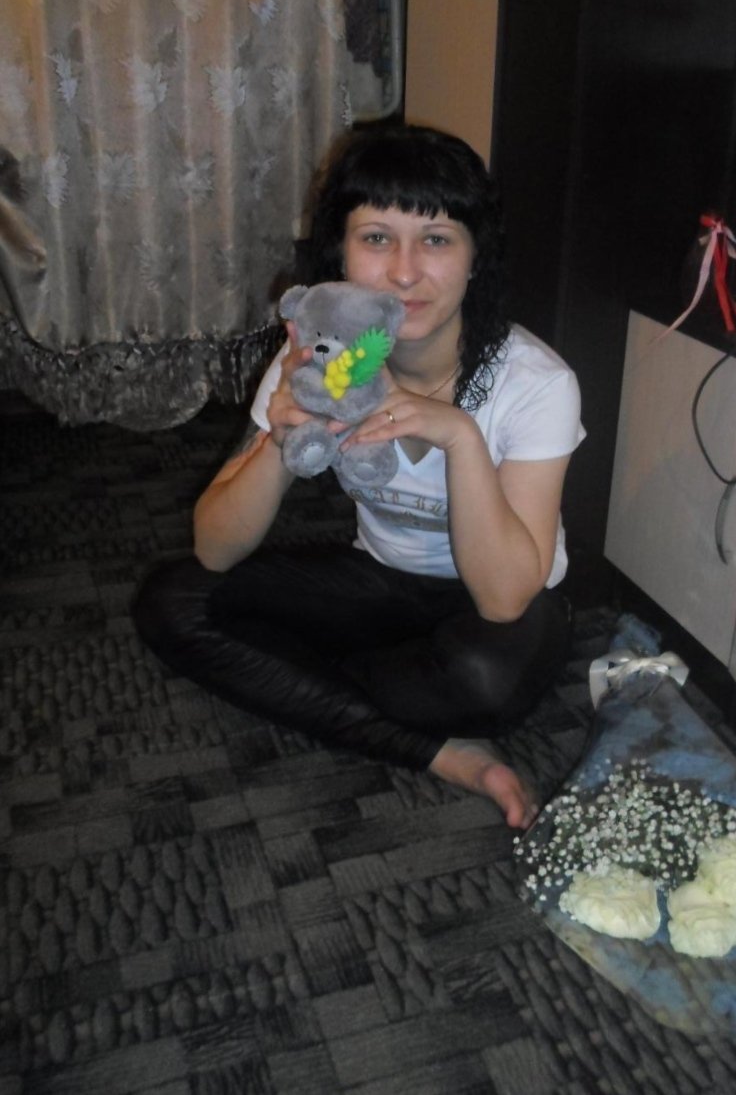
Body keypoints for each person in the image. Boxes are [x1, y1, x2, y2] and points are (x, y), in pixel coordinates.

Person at [134, 123, 584, 829]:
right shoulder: (318, 362)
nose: (404, 272)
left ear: (475, 258)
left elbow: (503, 599)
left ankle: (325, 681)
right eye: (376, 238)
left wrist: (460, 437)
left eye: (436, 239)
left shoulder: (536, 383)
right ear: (339, 256)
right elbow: (214, 546)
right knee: (174, 602)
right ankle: (443, 752)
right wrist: (282, 438)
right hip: (381, 578)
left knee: (482, 680)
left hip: (499, 606)